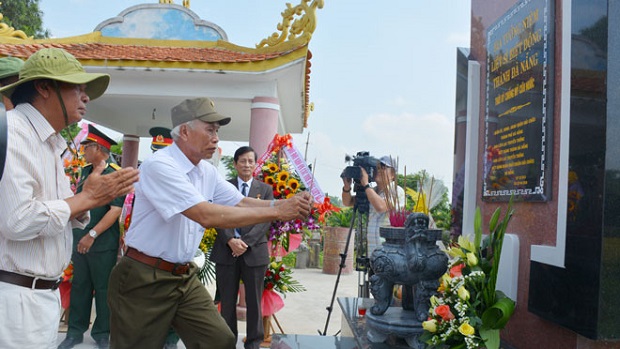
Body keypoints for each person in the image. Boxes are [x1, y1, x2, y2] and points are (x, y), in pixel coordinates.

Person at [107, 97, 312, 349]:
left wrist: (279, 205)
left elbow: (239, 202)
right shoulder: (161, 166)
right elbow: (206, 214)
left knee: (219, 340)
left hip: (182, 276)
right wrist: (279, 212)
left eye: (217, 131)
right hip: (144, 276)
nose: (216, 138)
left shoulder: (206, 171)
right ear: (184, 131)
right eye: (210, 130)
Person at [0, 47, 139, 349]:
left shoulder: (51, 143)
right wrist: (88, 198)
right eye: (76, 88)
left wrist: (88, 199)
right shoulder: (14, 132)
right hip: (14, 299)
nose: (85, 97)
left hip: (39, 297)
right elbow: (18, 221)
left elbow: (69, 207)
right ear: (43, 87)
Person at [58, 125, 124, 349]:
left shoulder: (114, 173)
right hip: (81, 238)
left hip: (102, 243)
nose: (84, 150)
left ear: (98, 148)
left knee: (104, 288)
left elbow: (115, 211)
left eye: (87, 147)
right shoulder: (86, 171)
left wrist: (92, 235)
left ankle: (102, 333)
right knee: (80, 286)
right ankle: (75, 332)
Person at [210, 146, 273, 349]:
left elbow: (266, 219)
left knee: (254, 301)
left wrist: (245, 242)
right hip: (226, 250)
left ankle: (254, 342)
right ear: (235, 163)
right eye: (242, 161)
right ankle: (227, 341)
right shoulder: (223, 187)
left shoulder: (264, 190)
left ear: (255, 164)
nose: (246, 165)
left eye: (250, 161)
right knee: (227, 302)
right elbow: (216, 215)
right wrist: (230, 240)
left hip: (253, 251)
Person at [341, 156, 405, 255]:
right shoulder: (372, 191)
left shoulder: (396, 190)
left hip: (389, 251)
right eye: (377, 168)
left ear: (393, 174)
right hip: (373, 251)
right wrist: (347, 186)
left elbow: (381, 207)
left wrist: (366, 184)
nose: (378, 170)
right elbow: (348, 202)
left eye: (383, 167)